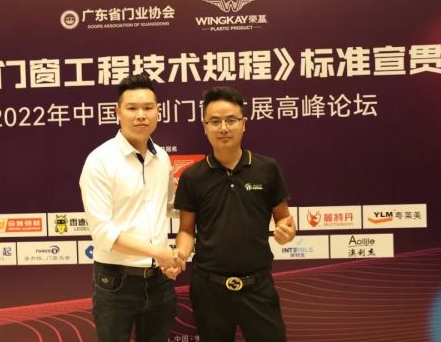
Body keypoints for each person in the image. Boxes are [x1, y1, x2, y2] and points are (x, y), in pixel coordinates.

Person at [174, 86, 296, 342]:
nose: (223, 128)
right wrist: (181, 254)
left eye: (231, 120)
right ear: (204, 126)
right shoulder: (192, 177)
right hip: (209, 290)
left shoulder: (267, 168)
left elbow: (283, 219)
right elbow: (186, 230)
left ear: (244, 123)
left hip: (258, 286)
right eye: (215, 121)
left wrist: (286, 231)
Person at [79, 74, 181, 342]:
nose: (141, 115)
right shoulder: (100, 160)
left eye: (148, 107)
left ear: (158, 112)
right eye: (132, 108)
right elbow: (103, 233)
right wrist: (158, 252)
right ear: (118, 112)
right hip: (116, 282)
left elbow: (171, 207)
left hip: (160, 280)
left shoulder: (162, 158)